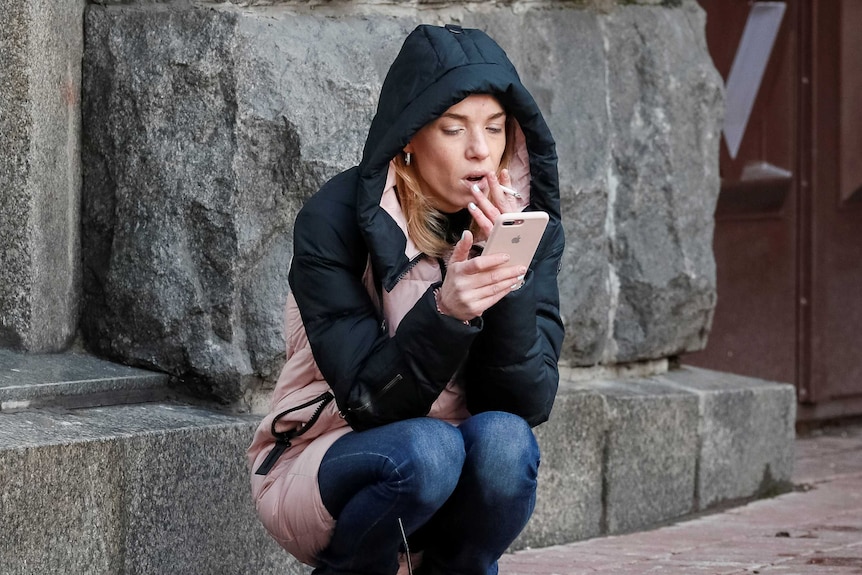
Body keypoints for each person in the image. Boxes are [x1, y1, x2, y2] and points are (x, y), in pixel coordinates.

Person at [248, 23, 564, 575]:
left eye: (494, 128)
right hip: (327, 455)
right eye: (453, 128)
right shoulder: (335, 221)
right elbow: (371, 401)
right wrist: (446, 313)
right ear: (411, 136)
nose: (479, 151)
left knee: (506, 443)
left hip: (451, 460)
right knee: (429, 451)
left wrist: (504, 279)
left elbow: (527, 403)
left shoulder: (527, 226)